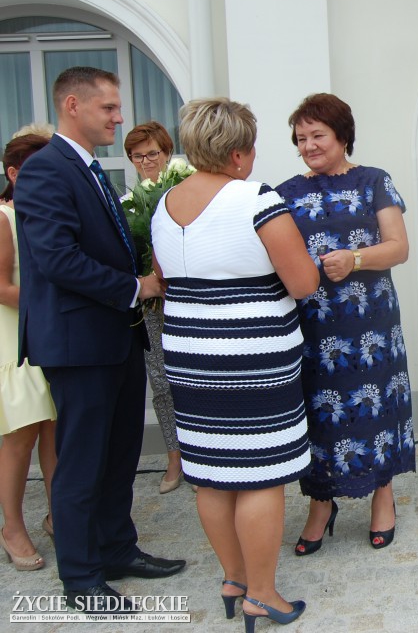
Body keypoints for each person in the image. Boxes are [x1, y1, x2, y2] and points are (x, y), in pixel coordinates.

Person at [15, 66, 184, 613]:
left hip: (115, 337)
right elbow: (58, 259)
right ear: (72, 105)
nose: (119, 117)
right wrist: (135, 286)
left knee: (118, 457)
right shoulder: (45, 170)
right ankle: (81, 575)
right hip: (78, 344)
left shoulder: (89, 168)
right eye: (108, 108)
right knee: (81, 463)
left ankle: (116, 549)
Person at [151, 97, 319, 628]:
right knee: (262, 476)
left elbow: (164, 277)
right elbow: (302, 283)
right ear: (241, 153)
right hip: (252, 357)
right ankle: (263, 594)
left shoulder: (164, 204)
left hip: (188, 354)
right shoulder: (256, 199)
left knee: (211, 474)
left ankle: (234, 577)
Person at [276, 93, 415, 553]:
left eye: (318, 135)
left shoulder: (374, 180)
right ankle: (322, 501)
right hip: (313, 326)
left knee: (375, 409)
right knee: (320, 412)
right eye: (301, 138)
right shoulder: (285, 193)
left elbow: (398, 246)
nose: (309, 145)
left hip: (371, 323)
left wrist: (355, 258)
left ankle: (382, 494)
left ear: (342, 135)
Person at [0, 133, 57, 571]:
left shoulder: (45, 212)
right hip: (14, 338)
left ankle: (60, 515)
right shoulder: (3, 217)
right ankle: (13, 527)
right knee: (20, 436)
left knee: (55, 431)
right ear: (14, 174)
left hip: (49, 335)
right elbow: (1, 287)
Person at [123, 121, 183, 493]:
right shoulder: (129, 204)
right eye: (138, 155)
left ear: (167, 152)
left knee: (194, 379)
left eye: (152, 153)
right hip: (150, 303)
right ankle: (174, 457)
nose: (146, 161)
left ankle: (200, 454)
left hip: (186, 300)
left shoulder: (182, 191)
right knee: (160, 381)